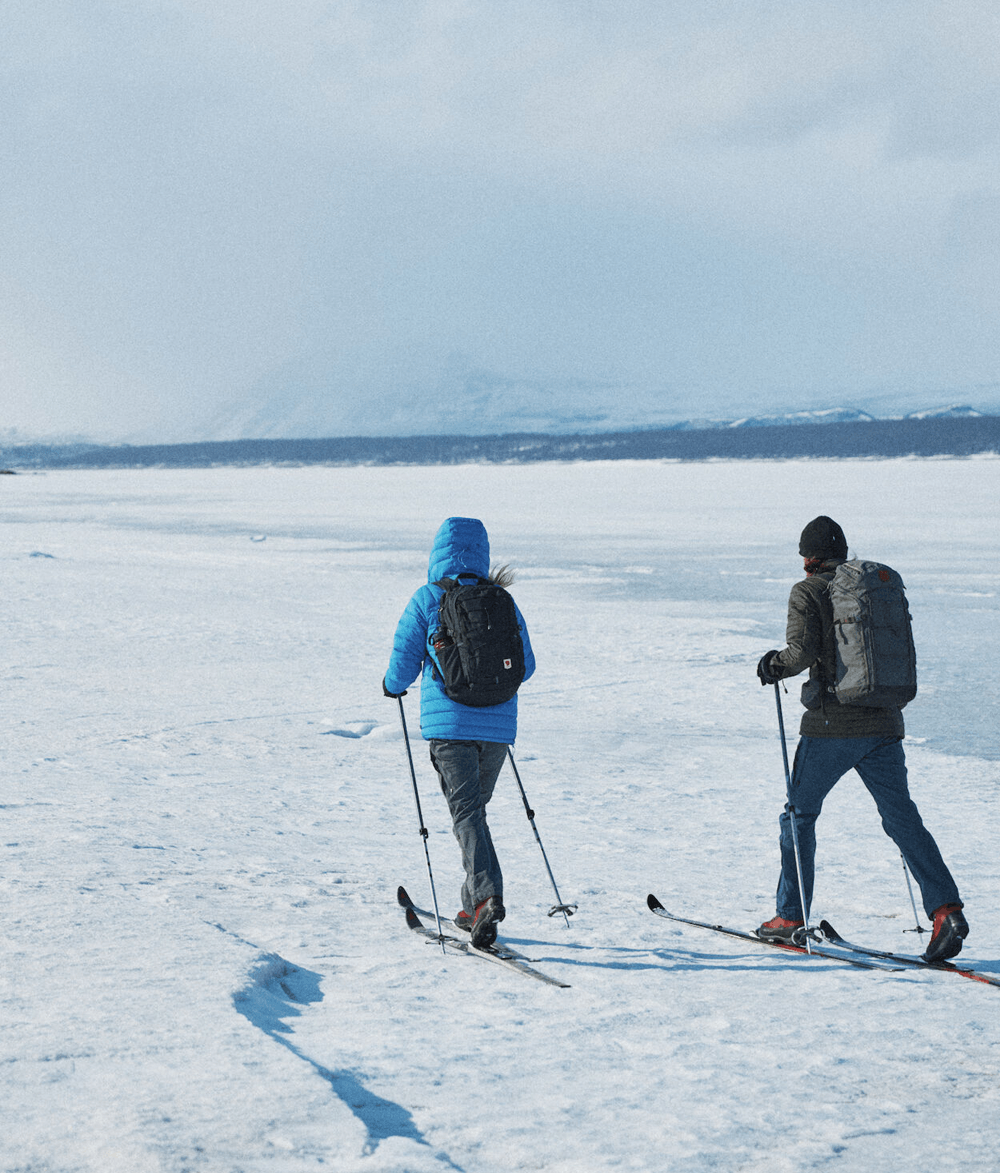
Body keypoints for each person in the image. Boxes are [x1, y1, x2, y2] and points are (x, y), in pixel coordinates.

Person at [755, 515, 968, 963]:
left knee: (799, 815)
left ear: (807, 557)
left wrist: (772, 664)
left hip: (833, 724)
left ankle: (790, 916)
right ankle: (945, 910)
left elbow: (801, 654)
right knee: (901, 818)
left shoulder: (809, 591)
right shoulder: (871, 589)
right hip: (885, 723)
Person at [383, 516, 535, 949]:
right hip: (498, 728)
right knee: (474, 814)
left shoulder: (428, 598)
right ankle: (471, 907)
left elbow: (403, 661)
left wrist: (392, 687)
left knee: (467, 813)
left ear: (437, 552)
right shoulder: (501, 599)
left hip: (449, 726)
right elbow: (529, 664)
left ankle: (487, 897)